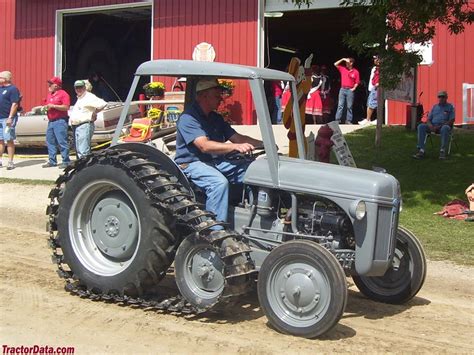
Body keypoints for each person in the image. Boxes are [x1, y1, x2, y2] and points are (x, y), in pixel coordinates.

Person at [174, 77, 263, 224]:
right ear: (203, 96)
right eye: (216, 95)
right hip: (191, 163)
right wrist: (234, 147)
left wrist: (263, 144)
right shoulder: (188, 118)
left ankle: (254, 217)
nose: (221, 99)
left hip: (214, 161)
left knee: (253, 172)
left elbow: (236, 137)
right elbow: (204, 146)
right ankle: (214, 231)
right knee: (218, 183)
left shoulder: (215, 118)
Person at [69, 80, 107, 158]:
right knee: (79, 151)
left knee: (83, 151)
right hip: (76, 126)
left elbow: (103, 104)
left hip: (84, 125)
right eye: (76, 88)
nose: (78, 89)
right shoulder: (80, 98)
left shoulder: (89, 96)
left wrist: (95, 113)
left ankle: (84, 168)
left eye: (80, 87)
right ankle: (81, 168)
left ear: (84, 87)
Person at [413, 90, 455, 160]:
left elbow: (451, 120)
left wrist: (439, 127)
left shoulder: (450, 107)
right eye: (439, 97)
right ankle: (421, 150)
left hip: (443, 126)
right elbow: (428, 119)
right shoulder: (434, 107)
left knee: (445, 128)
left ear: (446, 97)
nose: (441, 98)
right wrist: (431, 126)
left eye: (443, 97)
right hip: (432, 126)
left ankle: (442, 151)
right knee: (421, 126)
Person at [42, 76, 71, 168]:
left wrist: (54, 106)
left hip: (60, 121)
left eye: (51, 83)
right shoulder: (50, 94)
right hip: (51, 121)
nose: (49, 85)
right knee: (50, 141)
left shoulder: (63, 94)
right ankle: (52, 160)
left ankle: (66, 161)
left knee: (62, 141)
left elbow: (66, 107)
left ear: (57, 85)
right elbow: (47, 105)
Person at [0, 71, 20, 170]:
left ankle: (10, 162)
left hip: (7, 119)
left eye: (0, 77)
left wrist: (10, 117)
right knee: (0, 140)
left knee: (9, 139)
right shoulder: (0, 89)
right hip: (0, 118)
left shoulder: (13, 89)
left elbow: (14, 104)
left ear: (6, 78)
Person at [334, 57, 360, 124]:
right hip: (342, 89)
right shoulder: (343, 69)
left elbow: (357, 82)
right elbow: (335, 64)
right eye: (345, 63)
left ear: (351, 63)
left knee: (349, 106)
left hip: (350, 90)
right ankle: (337, 120)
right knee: (340, 105)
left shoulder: (356, 72)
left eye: (348, 62)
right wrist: (342, 59)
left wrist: (354, 88)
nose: (346, 64)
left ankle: (348, 120)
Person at [359, 55, 380, 126]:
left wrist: (379, 84)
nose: (375, 60)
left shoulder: (382, 69)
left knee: (372, 104)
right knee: (370, 103)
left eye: (377, 59)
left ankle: (368, 119)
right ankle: (370, 119)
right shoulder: (374, 68)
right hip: (372, 87)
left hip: (378, 88)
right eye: (375, 59)